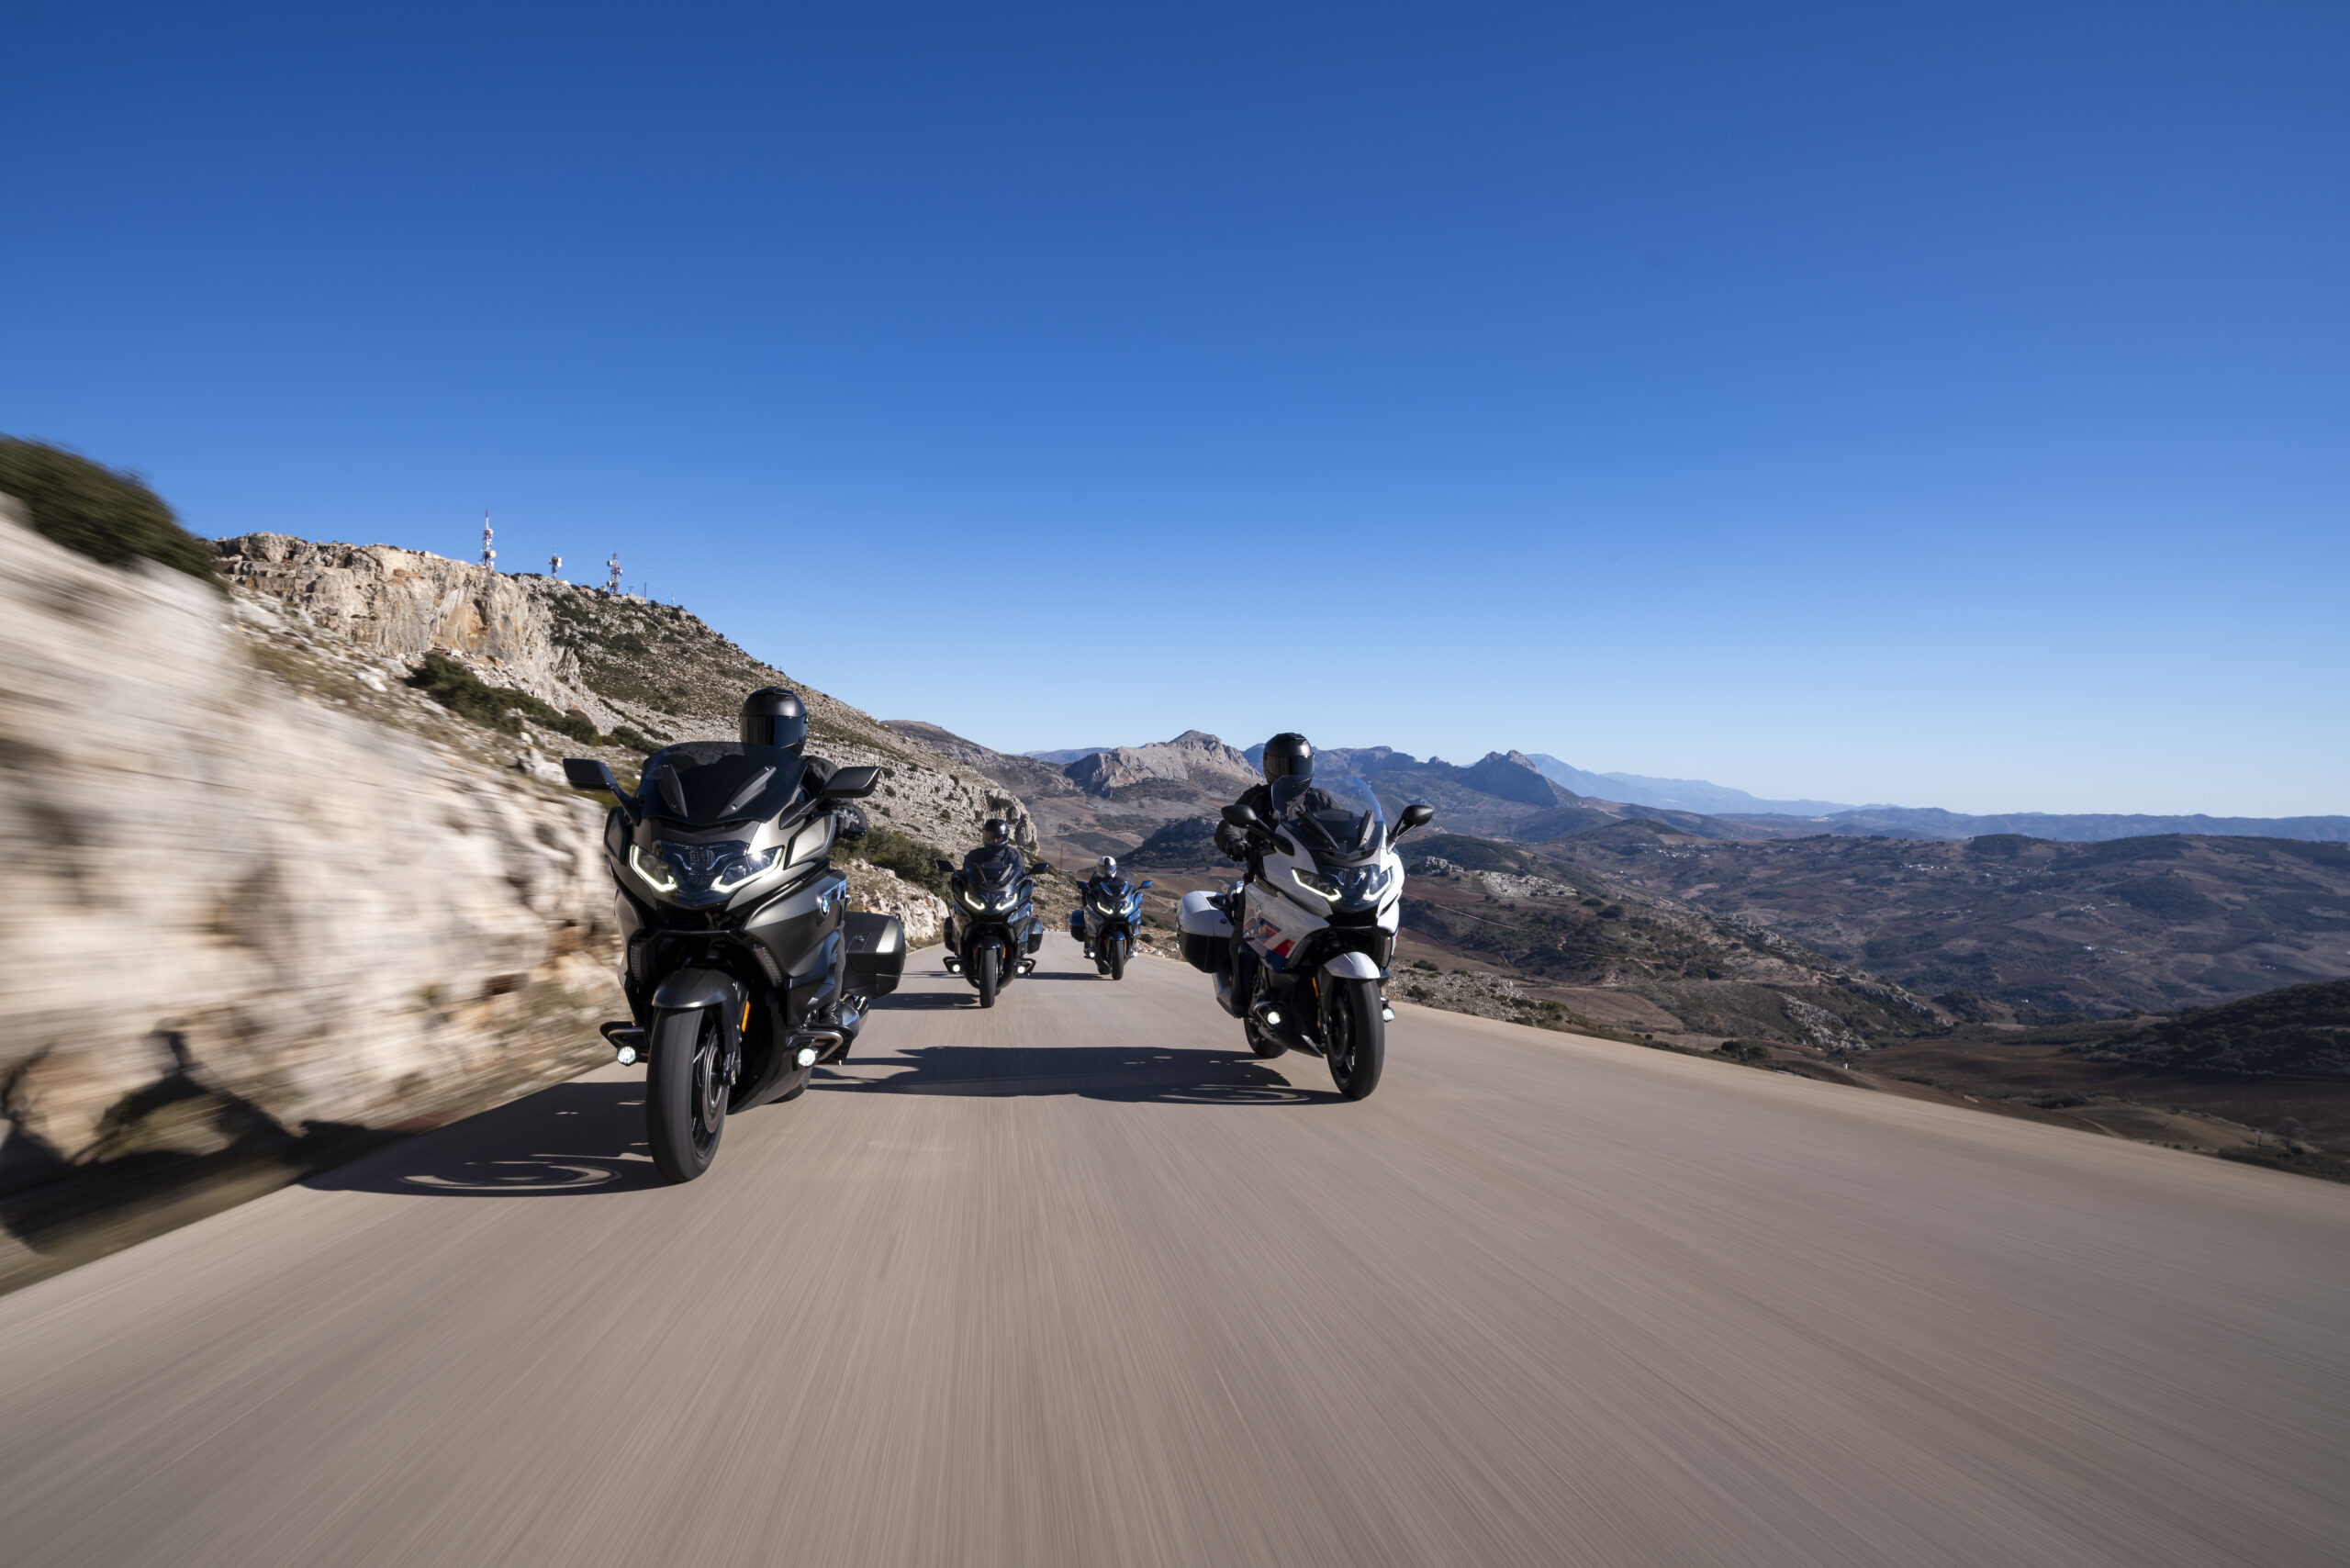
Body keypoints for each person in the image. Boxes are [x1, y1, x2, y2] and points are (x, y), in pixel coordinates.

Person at [739, 687, 866, 843]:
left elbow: (844, 803)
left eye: (781, 731)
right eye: (756, 730)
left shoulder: (816, 770)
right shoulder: (731, 768)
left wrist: (848, 815)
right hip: (737, 847)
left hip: (799, 849)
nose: (767, 741)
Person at [1215, 733, 1337, 865]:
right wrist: (1233, 841)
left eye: (1300, 767)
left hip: (1314, 870)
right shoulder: (1259, 797)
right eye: (1285, 768)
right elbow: (1231, 825)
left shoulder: (1319, 799)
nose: (1293, 775)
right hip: (1268, 870)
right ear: (1269, 766)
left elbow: (1345, 824)